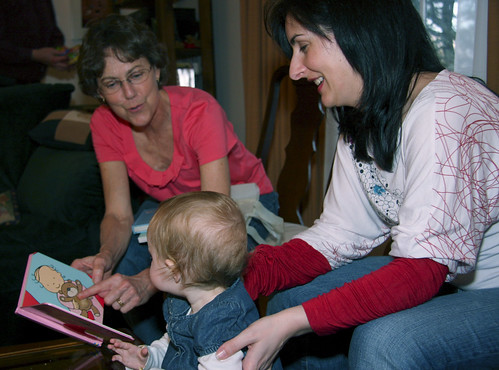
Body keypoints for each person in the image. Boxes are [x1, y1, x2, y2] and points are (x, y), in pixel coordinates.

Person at [216, 0, 499, 368]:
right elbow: (338, 234)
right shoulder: (365, 117)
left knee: (384, 342)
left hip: (478, 287)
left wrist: (288, 324)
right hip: (451, 277)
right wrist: (234, 279)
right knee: (290, 300)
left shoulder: (445, 110)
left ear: (358, 33)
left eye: (303, 46)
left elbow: (423, 268)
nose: (295, 70)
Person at [71, 14, 277, 344]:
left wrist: (149, 280)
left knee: (198, 278)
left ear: (155, 69)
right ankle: (159, 354)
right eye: (111, 84)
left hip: (237, 206)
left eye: (136, 75)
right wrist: (104, 257)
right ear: (99, 91)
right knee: (122, 271)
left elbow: (212, 218)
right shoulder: (103, 123)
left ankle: (205, 353)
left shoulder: (199, 110)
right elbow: (119, 214)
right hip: (175, 209)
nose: (129, 94)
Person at [108, 191, 277, 369]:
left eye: (152, 258)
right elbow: (177, 345)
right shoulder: (184, 301)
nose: (150, 264)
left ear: (174, 270)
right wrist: (150, 358)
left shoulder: (220, 329)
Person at [0, 0, 70, 85]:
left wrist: (61, 54)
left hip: (33, 79)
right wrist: (34, 54)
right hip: (6, 80)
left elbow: (51, 30)